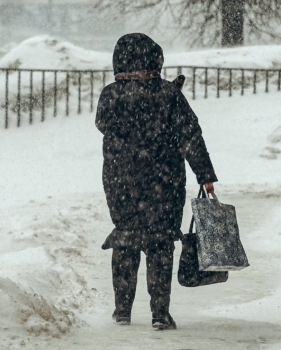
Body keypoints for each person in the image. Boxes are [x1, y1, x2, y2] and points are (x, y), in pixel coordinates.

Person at [95, 33, 217, 331]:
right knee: (160, 242)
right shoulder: (169, 95)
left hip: (120, 180)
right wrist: (205, 175)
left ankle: (122, 310)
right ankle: (160, 314)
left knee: (126, 238)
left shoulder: (110, 94)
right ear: (156, 59)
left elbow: (102, 124)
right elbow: (190, 136)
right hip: (165, 181)